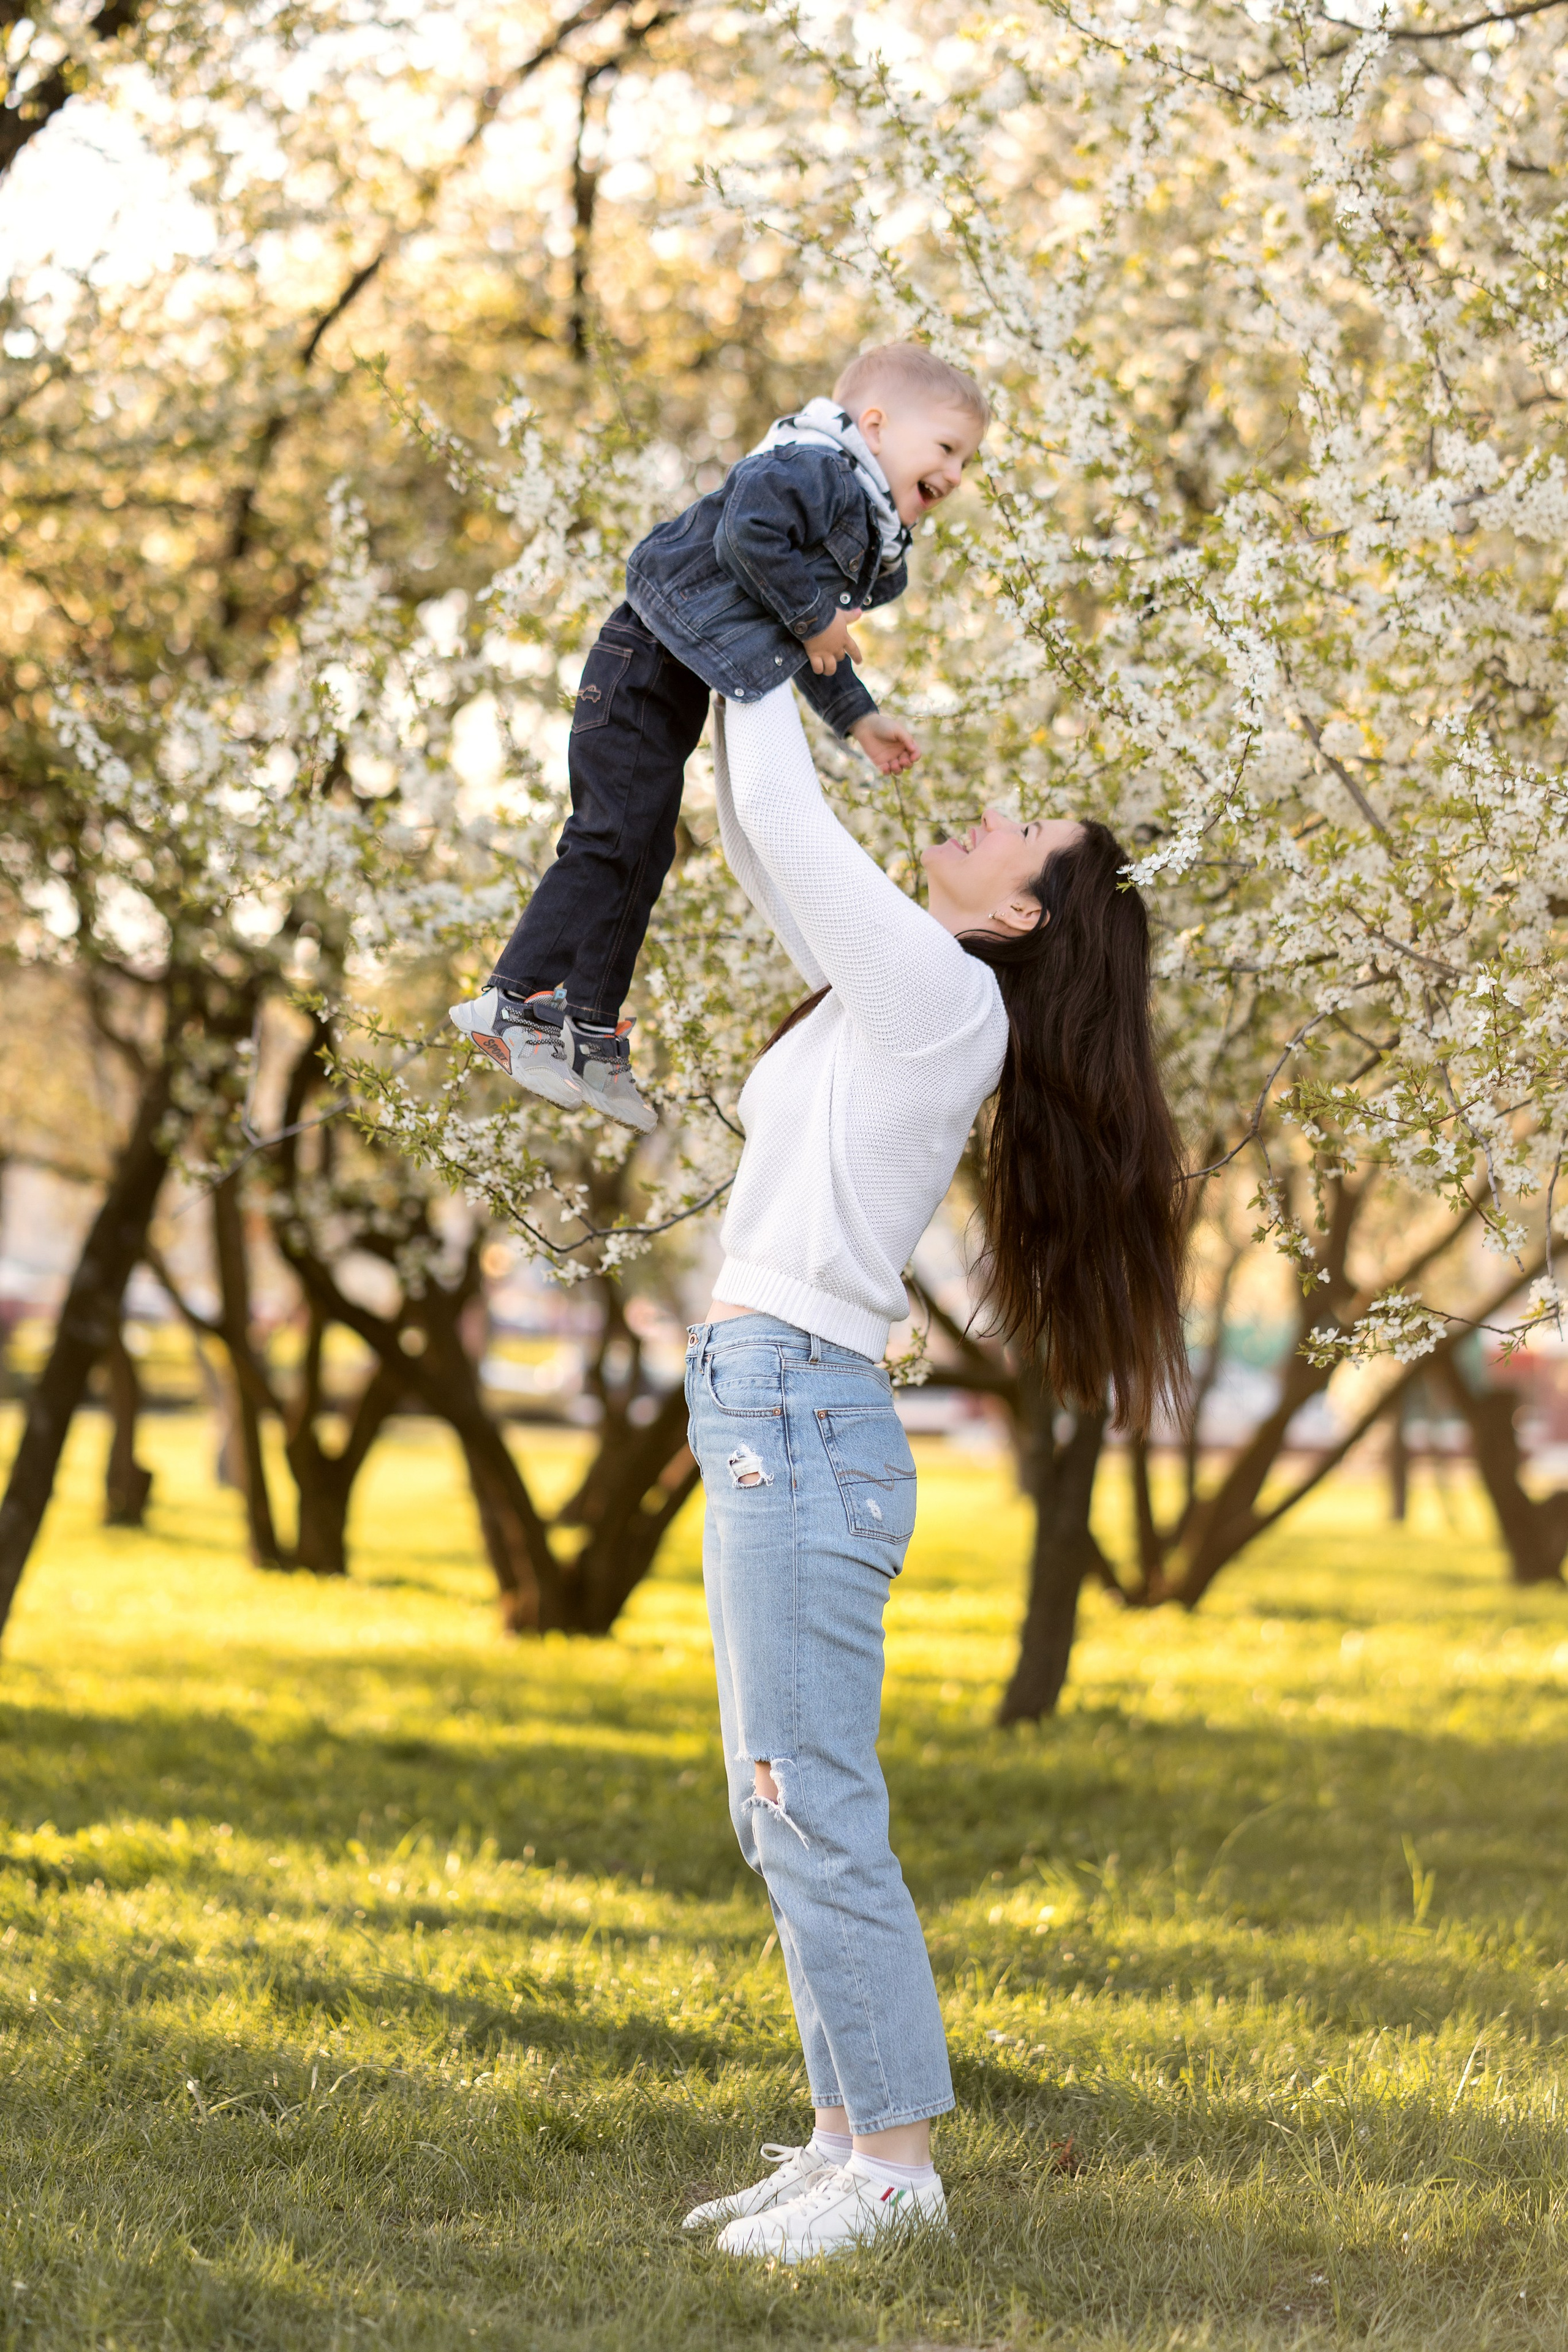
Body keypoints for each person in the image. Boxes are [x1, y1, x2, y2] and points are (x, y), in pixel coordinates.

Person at [677, 685, 1189, 2263]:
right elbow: (733, 816)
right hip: (764, 1403)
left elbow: (776, 809)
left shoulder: (937, 997)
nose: (991, 812)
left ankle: (895, 2172)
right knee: (778, 1806)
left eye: (1022, 831)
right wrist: (738, 665)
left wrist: (773, 608)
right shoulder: (891, 984)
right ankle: (841, 2141)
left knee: (810, 1798)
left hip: (800, 1413)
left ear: (1023, 909)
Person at [448, 344, 988, 1134]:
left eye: (968, 462)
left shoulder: (852, 509)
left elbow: (803, 635)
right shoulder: (816, 467)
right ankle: (513, 998)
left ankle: (587, 1024)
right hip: (639, 661)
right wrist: (815, 619)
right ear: (875, 425)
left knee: (644, 847)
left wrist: (859, 717)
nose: (957, 476)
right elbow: (750, 535)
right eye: (947, 448)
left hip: (670, 679)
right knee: (607, 837)